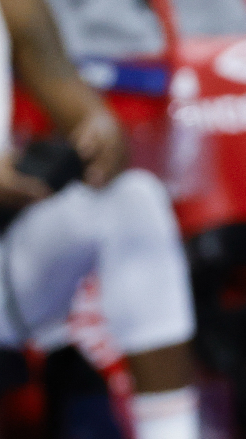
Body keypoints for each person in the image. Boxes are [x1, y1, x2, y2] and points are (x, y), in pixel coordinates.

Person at [0, 0, 199, 438]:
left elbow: (88, 116)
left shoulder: (17, 7)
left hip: (10, 260)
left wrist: (101, 134)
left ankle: (171, 430)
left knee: (133, 197)